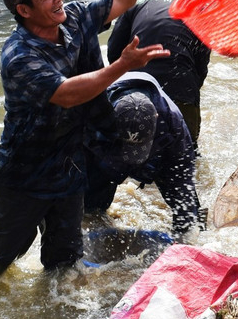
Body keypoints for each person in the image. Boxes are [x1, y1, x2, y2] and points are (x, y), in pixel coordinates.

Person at [0, 0, 184, 277]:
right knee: (4, 255)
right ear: (23, 9)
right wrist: (121, 66)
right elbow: (67, 94)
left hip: (70, 166)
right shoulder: (18, 56)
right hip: (24, 175)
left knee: (65, 263)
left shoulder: (74, 16)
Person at [84, 72, 202, 238]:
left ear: (156, 117)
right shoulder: (94, 108)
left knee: (187, 215)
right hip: (108, 150)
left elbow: (183, 182)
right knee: (89, 209)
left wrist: (187, 236)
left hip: (158, 150)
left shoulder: (173, 124)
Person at [106, 0, 211, 141]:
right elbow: (201, 68)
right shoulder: (199, 11)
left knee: (129, 152)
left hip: (136, 91)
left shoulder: (138, 2)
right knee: (187, 156)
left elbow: (114, 52)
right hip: (181, 92)